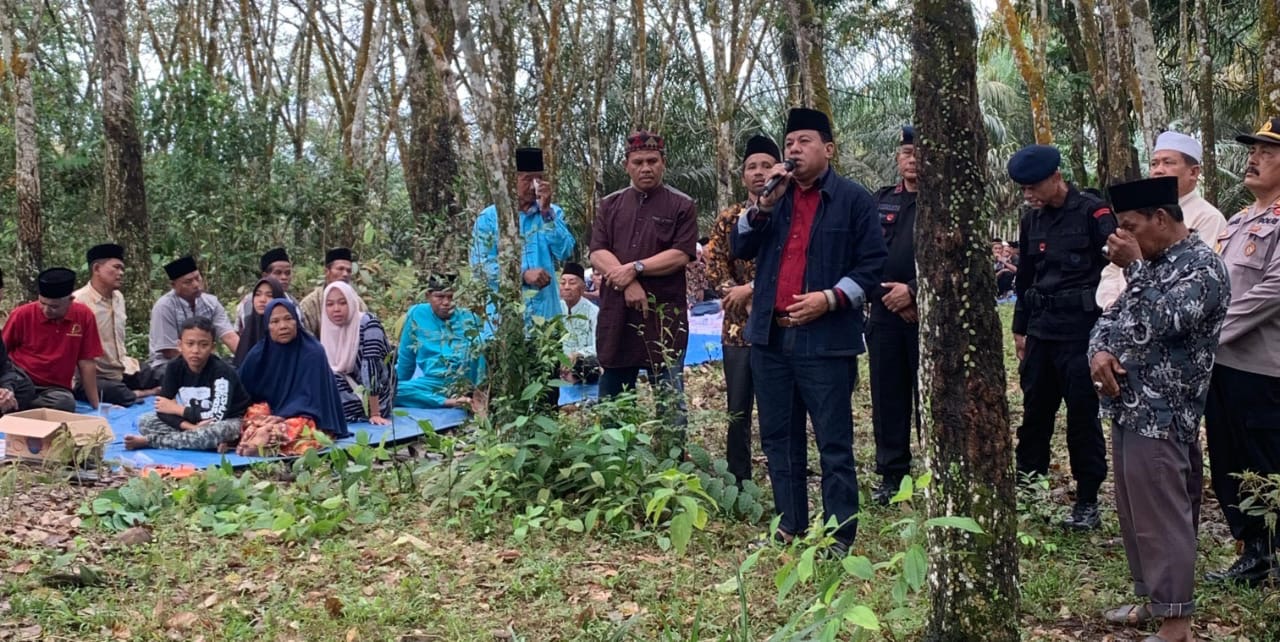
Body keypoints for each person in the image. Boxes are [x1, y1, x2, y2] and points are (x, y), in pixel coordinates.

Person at [732, 108, 887, 552]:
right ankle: (789, 524)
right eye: (790, 142)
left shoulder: (854, 200)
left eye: (804, 141)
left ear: (829, 149)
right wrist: (762, 204)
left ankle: (839, 535)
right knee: (779, 437)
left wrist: (829, 298)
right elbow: (740, 246)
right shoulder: (774, 198)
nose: (794, 149)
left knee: (833, 439)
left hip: (826, 339)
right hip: (771, 337)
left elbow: (871, 265)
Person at [1089, 176, 1229, 642]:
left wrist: (1135, 268)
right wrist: (1100, 352)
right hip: (1128, 406)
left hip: (1166, 412)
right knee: (1134, 513)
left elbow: (1166, 320)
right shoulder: (1153, 262)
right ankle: (1152, 599)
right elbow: (1113, 316)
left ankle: (1177, 623)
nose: (1122, 237)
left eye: (1130, 226)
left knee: (1165, 516)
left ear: (1161, 219)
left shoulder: (1202, 268)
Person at [1008, 144, 1117, 530]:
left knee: (1082, 418)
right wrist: (1019, 329)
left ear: (1057, 177)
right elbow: (1024, 279)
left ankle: (1087, 499)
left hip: (1081, 333)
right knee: (1036, 412)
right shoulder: (1030, 220)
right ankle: (1028, 489)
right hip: (1041, 331)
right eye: (1023, 189)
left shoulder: (1092, 212)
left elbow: (1117, 267)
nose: (1029, 195)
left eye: (1034, 187)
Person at [1203, 116, 1280, 586]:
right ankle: (1253, 550)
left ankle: (1270, 553)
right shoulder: (1238, 219)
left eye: (1268, 153)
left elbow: (1271, 291)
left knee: (1265, 460)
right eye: (1253, 150)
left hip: (1264, 368)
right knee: (1230, 458)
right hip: (1224, 365)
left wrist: (1209, 330)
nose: (1253, 159)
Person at [590, 130, 698, 434]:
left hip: (663, 315)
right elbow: (598, 252)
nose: (645, 167)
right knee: (613, 396)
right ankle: (616, 461)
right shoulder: (609, 205)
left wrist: (636, 268)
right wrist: (627, 281)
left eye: (652, 161)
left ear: (663, 163)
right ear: (627, 165)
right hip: (617, 313)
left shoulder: (682, 205)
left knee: (668, 394)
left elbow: (680, 254)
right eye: (638, 162)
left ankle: (671, 458)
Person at [705, 133, 778, 485]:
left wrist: (753, 290)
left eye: (766, 165)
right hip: (737, 328)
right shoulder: (730, 217)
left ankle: (784, 470)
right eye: (752, 167)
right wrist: (736, 293)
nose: (759, 173)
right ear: (743, 175)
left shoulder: (791, 212)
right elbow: (714, 263)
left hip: (781, 325)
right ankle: (739, 478)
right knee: (737, 409)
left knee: (778, 406)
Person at [1097, 131, 1229, 309]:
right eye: (1154, 163)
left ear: (1193, 172)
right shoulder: (1138, 216)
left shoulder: (1208, 217)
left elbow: (1195, 282)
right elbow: (1113, 269)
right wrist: (1112, 305)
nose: (1158, 170)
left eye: (1168, 162)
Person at [864, 125, 921, 505]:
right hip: (884, 312)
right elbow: (864, 253)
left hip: (926, 315)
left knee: (930, 397)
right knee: (887, 395)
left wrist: (914, 293)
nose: (912, 159)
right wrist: (885, 296)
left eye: (919, 152)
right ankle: (892, 474)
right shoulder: (881, 200)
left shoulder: (946, 202)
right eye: (906, 152)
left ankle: (937, 469)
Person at [470, 147, 575, 324]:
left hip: (546, 317)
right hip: (504, 319)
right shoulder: (489, 218)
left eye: (539, 178)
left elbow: (565, 252)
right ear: (512, 180)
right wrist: (523, 275)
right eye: (527, 179)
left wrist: (546, 211)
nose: (535, 185)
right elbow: (480, 268)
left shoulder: (553, 213)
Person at [237, 299, 349, 456]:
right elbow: (241, 394)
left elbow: (313, 402)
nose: (283, 326)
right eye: (275, 321)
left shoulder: (313, 352)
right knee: (251, 416)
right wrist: (264, 416)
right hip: (269, 416)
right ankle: (262, 438)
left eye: (288, 319)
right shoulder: (259, 354)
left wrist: (280, 418)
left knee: (303, 429)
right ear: (267, 327)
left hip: (303, 415)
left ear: (297, 321)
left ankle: (262, 440)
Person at [125, 316, 253, 452]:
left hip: (228, 420)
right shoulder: (174, 367)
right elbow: (162, 408)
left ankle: (151, 441)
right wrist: (191, 427)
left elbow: (216, 415)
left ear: (213, 347)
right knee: (145, 421)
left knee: (213, 432)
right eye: (190, 344)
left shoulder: (222, 371)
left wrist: (178, 409)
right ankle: (209, 443)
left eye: (203, 345)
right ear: (180, 346)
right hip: (195, 421)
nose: (196, 350)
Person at [2, 268, 104, 411]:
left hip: (52, 389)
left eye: (54, 306)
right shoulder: (22, 314)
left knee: (65, 403)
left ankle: (23, 407)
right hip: (21, 380)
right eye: (42, 303)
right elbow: (2, 353)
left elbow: (86, 362)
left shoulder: (84, 316)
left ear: (70, 300)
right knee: (8, 397)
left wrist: (96, 405)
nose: (46, 310)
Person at [73, 243, 159, 406]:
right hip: (95, 376)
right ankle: (142, 394)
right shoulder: (79, 302)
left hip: (121, 368)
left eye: (122, 269)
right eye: (116, 268)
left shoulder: (118, 297)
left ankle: (136, 392)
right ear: (97, 269)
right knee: (116, 392)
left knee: (158, 374)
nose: (121, 273)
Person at [395, 275, 488, 410]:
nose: (446, 302)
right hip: (434, 382)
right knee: (388, 391)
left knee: (480, 340)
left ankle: (476, 398)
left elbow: (482, 356)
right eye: (439, 297)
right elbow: (406, 358)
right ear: (428, 295)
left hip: (465, 381)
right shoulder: (417, 314)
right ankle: (449, 402)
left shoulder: (469, 317)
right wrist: (394, 384)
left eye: (450, 297)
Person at [320, 281, 394, 424]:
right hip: (349, 387)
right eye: (330, 304)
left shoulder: (369, 324)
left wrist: (375, 413)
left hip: (378, 398)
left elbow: (372, 369)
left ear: (352, 302)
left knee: (329, 402)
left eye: (342, 303)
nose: (336, 309)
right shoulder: (330, 329)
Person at [298, 248, 363, 337]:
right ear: (326, 272)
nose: (345, 274)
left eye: (349, 271)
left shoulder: (357, 302)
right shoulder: (310, 304)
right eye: (340, 269)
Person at [558, 262, 600, 385]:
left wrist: (577, 355)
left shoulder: (593, 312)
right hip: (560, 363)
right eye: (562, 283)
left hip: (583, 364)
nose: (566, 287)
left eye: (572, 283)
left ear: (582, 288)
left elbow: (597, 346)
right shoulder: (556, 309)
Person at [236, 248, 295, 331]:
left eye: (287, 273)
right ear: (265, 276)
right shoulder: (250, 302)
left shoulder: (292, 301)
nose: (284, 277)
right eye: (278, 273)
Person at [232, 278, 285, 366]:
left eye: (269, 295)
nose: (262, 300)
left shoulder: (285, 328)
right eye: (257, 294)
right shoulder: (250, 326)